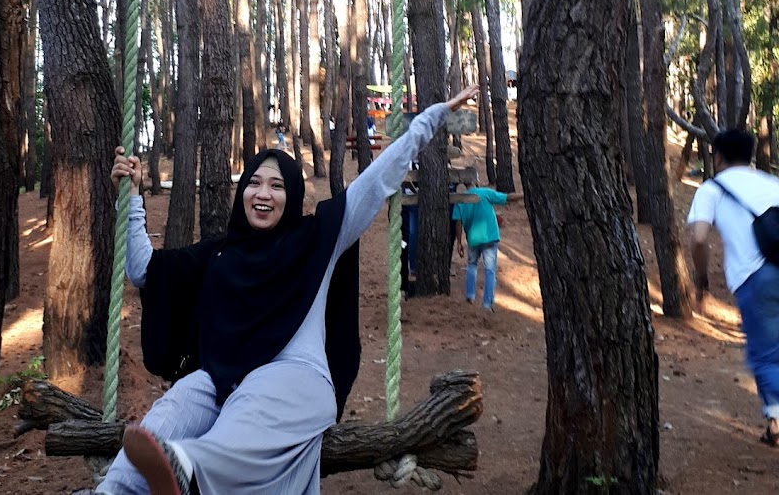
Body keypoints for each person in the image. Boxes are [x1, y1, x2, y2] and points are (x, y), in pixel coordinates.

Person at [100, 84, 480, 495]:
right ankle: (115, 490)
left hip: (296, 378)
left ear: (292, 194)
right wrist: (131, 197)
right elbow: (145, 270)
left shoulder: (317, 237)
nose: (263, 194)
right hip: (222, 377)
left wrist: (432, 117)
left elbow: (377, 179)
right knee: (176, 405)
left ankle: (190, 471)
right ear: (243, 192)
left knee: (251, 407)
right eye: (254, 183)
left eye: (277, 186)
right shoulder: (220, 253)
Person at [687, 127, 779, 447]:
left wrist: (701, 280)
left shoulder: (711, 190)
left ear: (718, 157)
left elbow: (699, 239)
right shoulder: (772, 183)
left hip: (756, 278)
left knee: (765, 355)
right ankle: (775, 420)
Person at [452, 173, 522, 311]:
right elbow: (507, 198)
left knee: (472, 265)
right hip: (489, 237)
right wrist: (523, 195)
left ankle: (470, 295)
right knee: (490, 270)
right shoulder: (485, 193)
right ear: (475, 180)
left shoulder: (460, 200)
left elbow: (457, 222)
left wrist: (459, 242)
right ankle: (487, 303)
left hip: (472, 238)